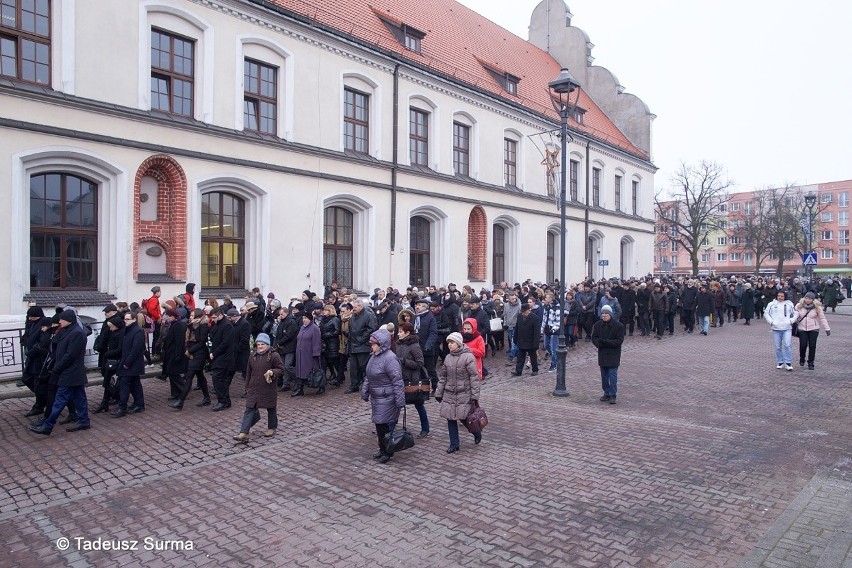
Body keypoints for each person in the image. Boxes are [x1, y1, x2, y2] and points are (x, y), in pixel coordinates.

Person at [29, 310, 90, 435]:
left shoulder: (77, 333)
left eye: (62, 319)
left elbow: (70, 355)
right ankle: (84, 420)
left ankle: (48, 425)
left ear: (69, 320)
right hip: (70, 371)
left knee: (60, 399)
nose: (60, 321)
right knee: (79, 397)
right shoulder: (67, 330)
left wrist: (57, 368)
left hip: (71, 372)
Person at [360, 328, 404, 464]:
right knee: (379, 426)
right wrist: (365, 392)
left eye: (374, 344)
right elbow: (369, 376)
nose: (371, 346)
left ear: (381, 344)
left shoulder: (390, 359)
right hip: (377, 397)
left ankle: (388, 451)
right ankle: (382, 449)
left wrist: (400, 400)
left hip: (387, 398)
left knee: (384, 426)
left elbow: (397, 381)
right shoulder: (374, 357)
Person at [233, 333, 284, 443]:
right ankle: (244, 433)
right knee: (249, 408)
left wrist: (273, 372)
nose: (260, 346)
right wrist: (247, 386)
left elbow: (281, 369)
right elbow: (248, 372)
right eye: (258, 344)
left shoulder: (274, 355)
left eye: (262, 344)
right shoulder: (252, 356)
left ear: (267, 344)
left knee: (270, 407)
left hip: (268, 387)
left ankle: (272, 427)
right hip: (254, 387)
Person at [435, 332, 481, 453]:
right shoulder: (448, 357)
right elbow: (443, 377)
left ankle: (476, 432)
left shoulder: (468, 357)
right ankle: (454, 444)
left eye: (452, 342)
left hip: (463, 393)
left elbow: (474, 377)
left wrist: (475, 396)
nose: (450, 345)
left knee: (464, 417)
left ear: (459, 343)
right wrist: (439, 393)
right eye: (448, 343)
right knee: (450, 418)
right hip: (449, 393)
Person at [396, 322, 430, 438]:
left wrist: (405, 362)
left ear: (407, 333)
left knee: (419, 405)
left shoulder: (414, 345)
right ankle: (390, 427)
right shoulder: (399, 344)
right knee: (397, 404)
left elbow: (420, 363)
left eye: (400, 332)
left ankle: (425, 428)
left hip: (413, 380)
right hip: (400, 379)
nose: (398, 334)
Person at [111, 310, 146, 417]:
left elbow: (136, 349)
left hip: (132, 363)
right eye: (125, 319)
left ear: (134, 319)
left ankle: (122, 407)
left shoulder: (138, 331)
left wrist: (127, 363)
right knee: (135, 384)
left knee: (125, 384)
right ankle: (139, 404)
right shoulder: (128, 330)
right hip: (128, 362)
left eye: (128, 319)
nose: (125, 321)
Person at [176, 308, 211, 408]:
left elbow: (201, 341)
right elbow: (188, 338)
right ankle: (207, 398)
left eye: (192, 315)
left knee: (189, 376)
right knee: (200, 376)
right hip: (192, 353)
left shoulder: (203, 325)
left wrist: (190, 351)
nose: (190, 317)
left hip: (199, 354)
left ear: (198, 316)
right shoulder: (191, 325)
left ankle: (180, 401)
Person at [591, 304, 625, 404]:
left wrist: (606, 342)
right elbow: (594, 338)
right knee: (604, 376)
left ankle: (613, 394)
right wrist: (599, 344)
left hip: (613, 354)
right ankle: (606, 392)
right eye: (603, 313)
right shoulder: (597, 325)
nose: (604, 315)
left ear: (610, 314)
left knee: (612, 375)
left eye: (606, 313)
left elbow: (619, 341)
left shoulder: (618, 326)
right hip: (602, 353)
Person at [93, 315, 124, 413]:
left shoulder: (120, 334)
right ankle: (105, 402)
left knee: (113, 383)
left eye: (111, 326)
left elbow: (119, 349)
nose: (110, 329)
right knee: (108, 383)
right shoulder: (113, 333)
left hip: (115, 361)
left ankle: (112, 401)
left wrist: (107, 354)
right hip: (110, 361)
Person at [346, 299, 377, 394]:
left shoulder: (369, 316)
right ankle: (354, 385)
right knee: (353, 368)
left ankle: (369, 384)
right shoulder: (353, 317)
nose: (353, 309)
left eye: (355, 307)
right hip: (353, 345)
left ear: (360, 306)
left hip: (363, 345)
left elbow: (372, 328)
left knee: (365, 367)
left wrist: (361, 339)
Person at [208, 307, 236, 411]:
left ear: (220, 315)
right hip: (218, 356)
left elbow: (225, 343)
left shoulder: (227, 326)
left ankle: (223, 401)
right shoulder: (217, 324)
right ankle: (225, 401)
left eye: (214, 317)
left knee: (218, 378)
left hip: (224, 357)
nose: (213, 319)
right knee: (221, 380)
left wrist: (214, 353)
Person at [795, 292, 831, 370]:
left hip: (814, 328)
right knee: (803, 344)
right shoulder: (799, 306)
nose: (808, 300)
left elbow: (822, 318)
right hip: (802, 328)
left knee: (812, 345)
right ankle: (802, 358)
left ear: (813, 300)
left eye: (810, 299)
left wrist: (827, 328)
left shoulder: (817, 307)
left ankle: (811, 362)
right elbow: (794, 316)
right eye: (806, 298)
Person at [160, 309, 188, 407]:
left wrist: (178, 355)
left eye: (167, 316)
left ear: (172, 316)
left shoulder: (178, 325)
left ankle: (183, 390)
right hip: (170, 352)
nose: (166, 317)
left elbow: (179, 341)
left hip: (175, 353)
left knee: (173, 373)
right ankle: (175, 393)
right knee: (171, 373)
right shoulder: (172, 324)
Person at [764, 290, 797, 371]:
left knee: (787, 344)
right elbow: (766, 313)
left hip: (787, 328)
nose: (780, 297)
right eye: (779, 296)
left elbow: (795, 313)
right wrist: (771, 322)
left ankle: (788, 362)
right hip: (776, 328)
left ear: (784, 296)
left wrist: (791, 321)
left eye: (782, 296)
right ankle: (780, 362)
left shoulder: (789, 304)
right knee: (778, 346)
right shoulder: (771, 304)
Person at [294, 311, 322, 396]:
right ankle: (300, 388)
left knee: (314, 370)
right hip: (301, 354)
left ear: (310, 319)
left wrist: (315, 353)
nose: (304, 320)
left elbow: (317, 341)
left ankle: (321, 385)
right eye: (303, 318)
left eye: (306, 318)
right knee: (300, 371)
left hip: (309, 354)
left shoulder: (314, 328)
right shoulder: (302, 327)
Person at [512, 303, 540, 377]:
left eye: (524, 312)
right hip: (521, 340)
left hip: (530, 341)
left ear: (529, 310)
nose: (523, 314)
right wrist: (515, 339)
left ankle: (535, 370)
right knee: (520, 357)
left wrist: (535, 343)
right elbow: (517, 328)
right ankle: (518, 371)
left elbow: (537, 332)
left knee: (533, 357)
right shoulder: (519, 316)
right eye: (522, 312)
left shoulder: (535, 318)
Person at [319, 303, 341, 386]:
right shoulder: (324, 319)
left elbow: (337, 331)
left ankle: (340, 376)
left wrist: (327, 334)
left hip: (332, 342)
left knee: (334, 360)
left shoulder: (335, 319)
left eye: (325, 310)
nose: (324, 312)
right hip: (325, 342)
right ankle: (333, 374)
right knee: (328, 360)